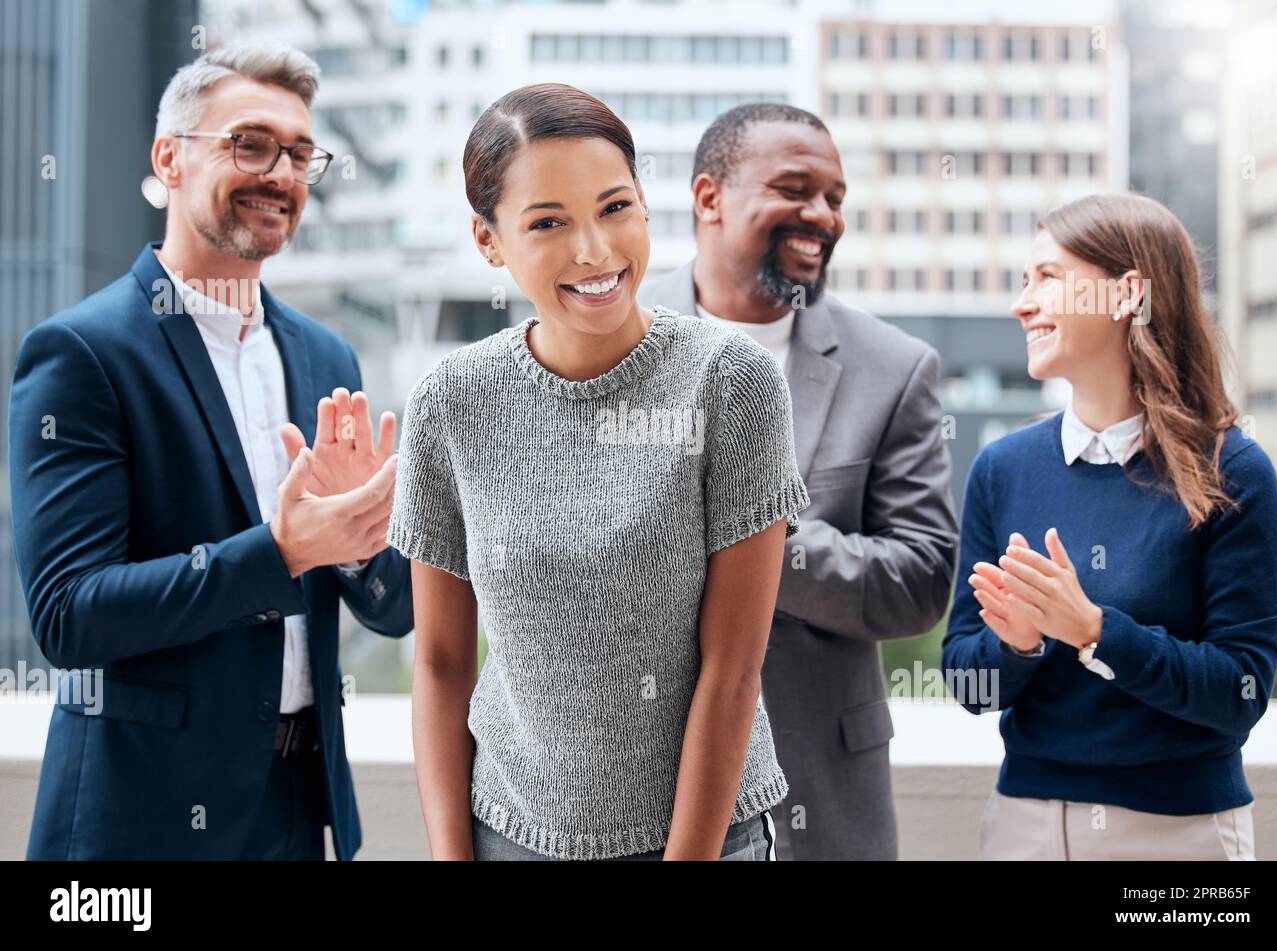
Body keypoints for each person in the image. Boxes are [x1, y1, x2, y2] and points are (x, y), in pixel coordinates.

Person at [10, 43, 414, 860]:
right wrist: (284, 549)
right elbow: (69, 616)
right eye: (251, 143)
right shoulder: (81, 352)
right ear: (170, 158)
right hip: (141, 819)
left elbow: (395, 607)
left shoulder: (327, 357)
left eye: (302, 154)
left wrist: (365, 542)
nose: (284, 173)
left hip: (302, 814)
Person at [386, 83, 809, 861]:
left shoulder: (731, 382)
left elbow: (733, 666)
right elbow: (442, 665)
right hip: (508, 834)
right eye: (548, 222)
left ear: (646, 205)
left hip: (706, 842)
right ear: (489, 240)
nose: (594, 250)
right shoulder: (450, 402)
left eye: (615, 207)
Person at [638, 103, 958, 860]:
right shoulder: (616, 337)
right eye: (795, 189)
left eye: (835, 198)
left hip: (823, 796)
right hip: (634, 788)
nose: (822, 215)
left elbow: (922, 580)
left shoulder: (895, 367)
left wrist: (752, 542)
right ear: (709, 197)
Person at [942, 192, 1277, 860]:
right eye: (1023, 281)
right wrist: (1016, 647)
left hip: (1180, 834)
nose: (1022, 303)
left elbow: (1241, 690)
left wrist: (1097, 632)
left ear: (1126, 293)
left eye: (1047, 277)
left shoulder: (1235, 472)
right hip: (1023, 826)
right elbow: (963, 677)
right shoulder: (1001, 469)